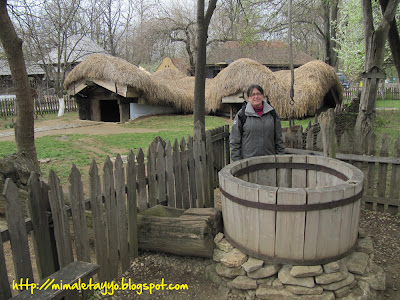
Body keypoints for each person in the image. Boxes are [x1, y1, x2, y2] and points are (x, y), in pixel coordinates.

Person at [230, 84, 285, 161]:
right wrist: (237, 161)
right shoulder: (242, 115)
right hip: (248, 162)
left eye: (258, 94)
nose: (256, 97)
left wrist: (280, 157)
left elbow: (278, 138)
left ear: (262, 96)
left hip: (269, 160)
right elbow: (235, 140)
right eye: (253, 95)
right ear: (249, 98)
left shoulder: (272, 113)